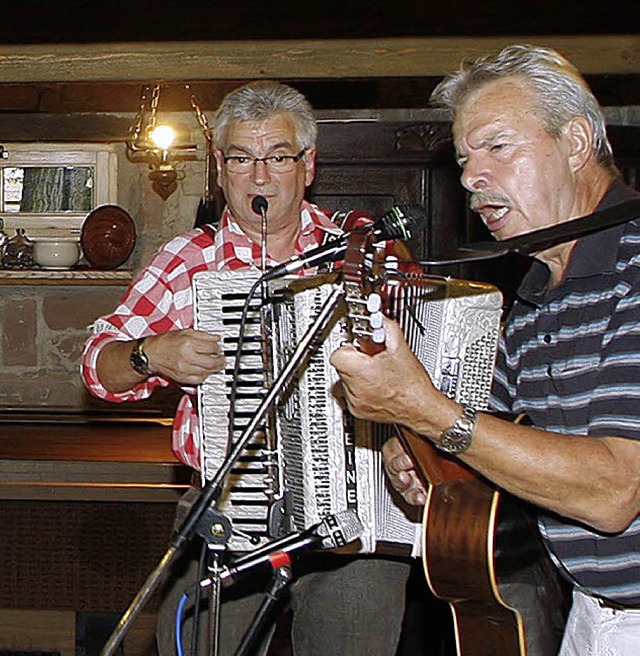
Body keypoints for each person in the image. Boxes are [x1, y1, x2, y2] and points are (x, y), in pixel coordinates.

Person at [81, 80, 412, 655]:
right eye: (240, 158)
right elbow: (96, 368)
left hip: (357, 508)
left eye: (278, 157)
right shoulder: (188, 260)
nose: (259, 177)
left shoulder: (363, 256)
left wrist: (406, 440)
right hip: (224, 506)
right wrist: (152, 354)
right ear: (219, 167)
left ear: (308, 165)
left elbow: (423, 379)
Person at [330, 44, 640, 656]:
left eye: (498, 147)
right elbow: (485, 436)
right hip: (589, 612)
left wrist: (426, 413)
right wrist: (420, 462)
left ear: (576, 143)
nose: (472, 178)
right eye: (466, 159)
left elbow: (613, 493)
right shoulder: (533, 293)